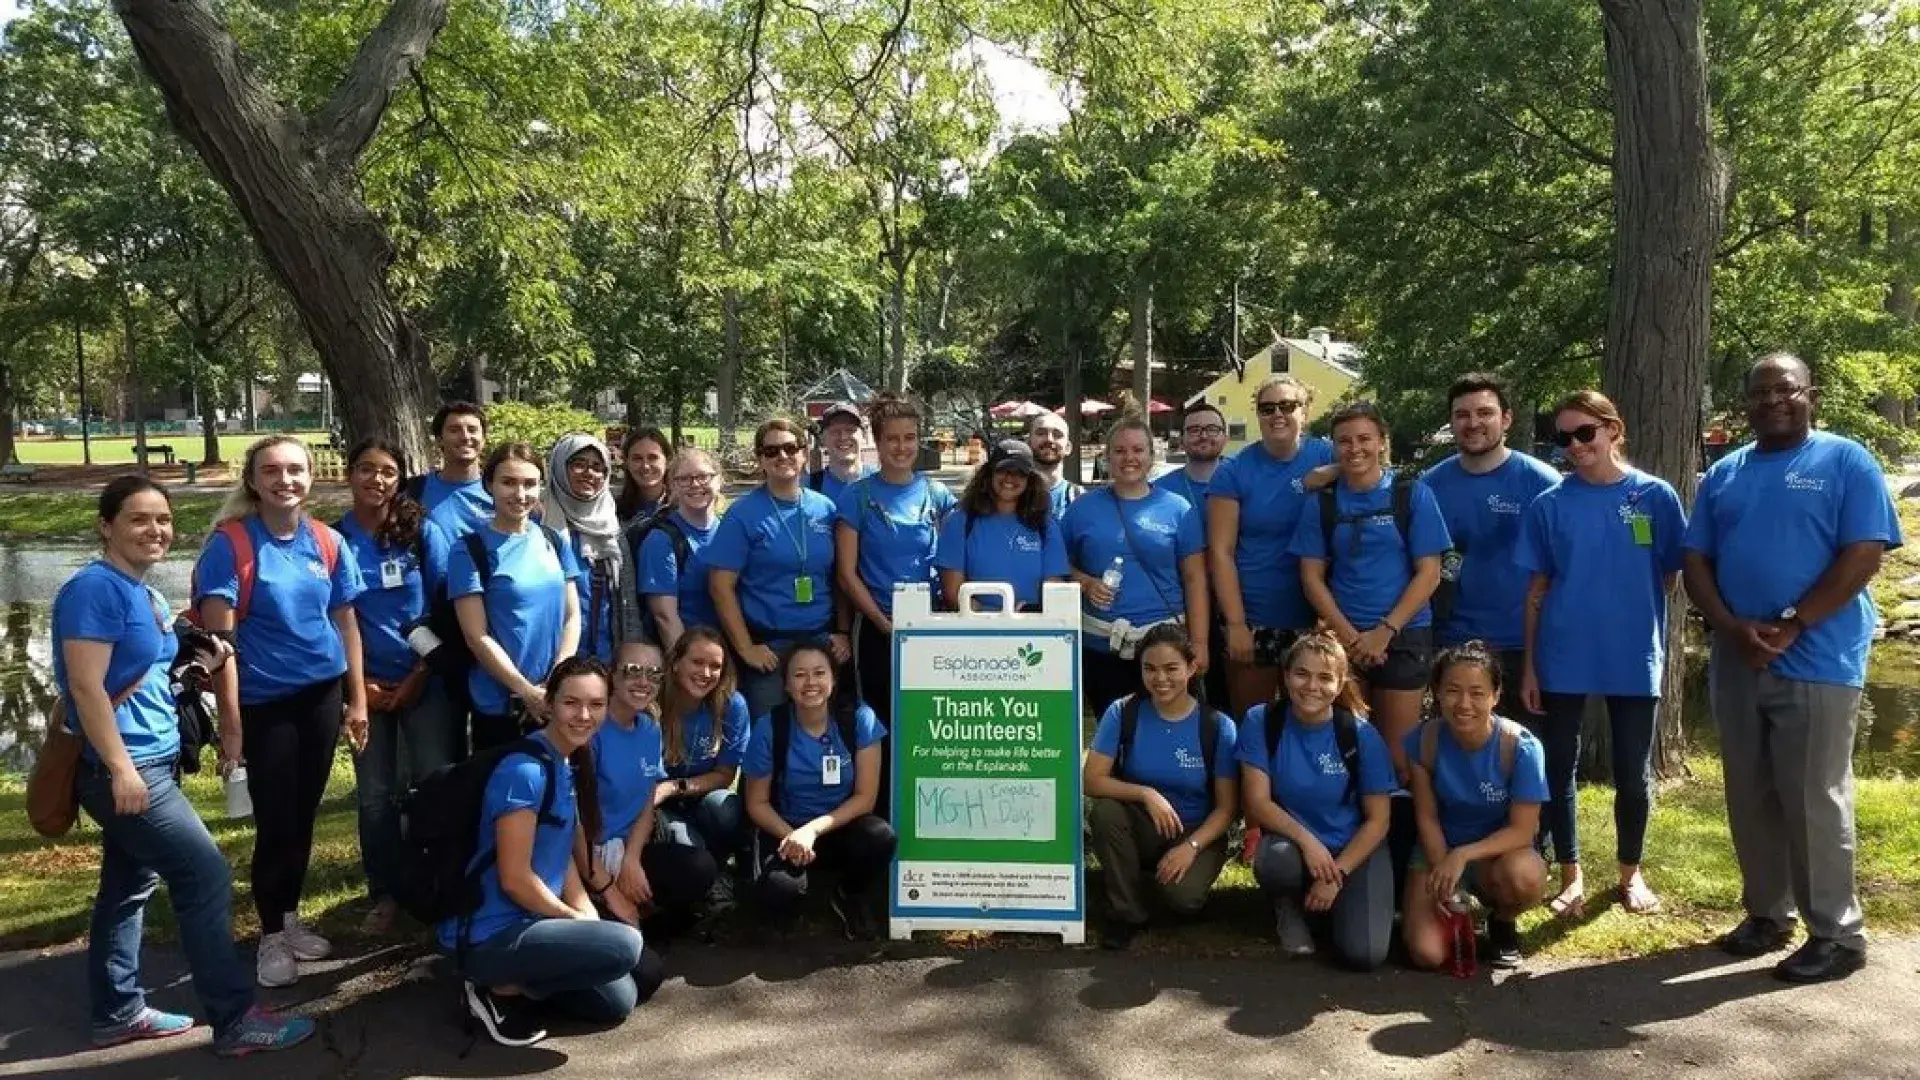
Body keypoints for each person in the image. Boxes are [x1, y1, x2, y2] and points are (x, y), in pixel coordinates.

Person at [58, 477, 314, 1055]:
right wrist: (121, 768)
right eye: (138, 519)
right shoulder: (93, 590)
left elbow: (140, 667)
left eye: (163, 520)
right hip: (127, 768)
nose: (155, 531)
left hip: (152, 759)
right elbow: (86, 687)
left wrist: (197, 650)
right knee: (205, 877)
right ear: (106, 526)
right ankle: (234, 1019)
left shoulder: (139, 592)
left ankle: (117, 1011)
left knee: (128, 888)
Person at [1684, 352, 1900, 984]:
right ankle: (1767, 914)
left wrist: (1795, 620)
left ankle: (1837, 933)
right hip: (1737, 656)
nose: (1772, 400)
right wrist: (1730, 627)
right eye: (1759, 393)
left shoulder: (1845, 460)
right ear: (1745, 403)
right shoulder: (1724, 474)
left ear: (1811, 393)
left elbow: (1864, 553)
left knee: (1813, 797)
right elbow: (1697, 559)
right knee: (1749, 792)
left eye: (1785, 389)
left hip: (1818, 657)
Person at [194, 435, 368, 988]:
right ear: (254, 481)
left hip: (320, 695)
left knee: (303, 814)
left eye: (296, 470)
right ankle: (270, 935)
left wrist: (355, 697)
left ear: (311, 477)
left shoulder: (327, 541)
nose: (285, 480)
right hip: (263, 702)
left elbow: (346, 623)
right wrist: (231, 726)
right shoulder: (231, 545)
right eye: (272, 470)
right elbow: (218, 645)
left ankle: (290, 919)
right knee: (275, 821)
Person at [1516, 391, 1686, 918]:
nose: (1574, 446)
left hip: (1632, 655)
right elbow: (1536, 591)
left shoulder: (1655, 497)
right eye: (1563, 438)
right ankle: (1571, 874)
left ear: (1613, 429)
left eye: (1584, 433)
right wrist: (1528, 664)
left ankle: (1630, 874)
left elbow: (1669, 575)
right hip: (1563, 653)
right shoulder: (1550, 505)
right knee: (1558, 768)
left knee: (1633, 774)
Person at [443, 657, 664, 1048]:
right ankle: (493, 988)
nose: (584, 715)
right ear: (548, 703)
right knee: (624, 947)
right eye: (571, 703)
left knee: (623, 996)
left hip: (537, 923)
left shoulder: (564, 763)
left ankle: (524, 986)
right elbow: (514, 879)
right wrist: (575, 923)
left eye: (596, 705)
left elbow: (562, 856)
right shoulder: (524, 771)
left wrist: (588, 915)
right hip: (493, 934)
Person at [1419, 375, 1564, 906]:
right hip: (1452, 642)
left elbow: (1560, 567)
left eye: (1484, 413)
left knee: (1521, 760)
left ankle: (1525, 862)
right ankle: (1447, 866)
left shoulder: (1541, 481)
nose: (1473, 423)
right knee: (1454, 758)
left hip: (1520, 644)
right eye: (1462, 414)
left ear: (1506, 418)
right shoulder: (1431, 485)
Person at [338, 438, 460, 935]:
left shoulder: (420, 534)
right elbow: (334, 617)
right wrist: (359, 686)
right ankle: (386, 892)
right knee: (375, 796)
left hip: (423, 682)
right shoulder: (332, 539)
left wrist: (418, 676)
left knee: (435, 784)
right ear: (350, 475)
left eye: (387, 471)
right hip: (364, 688)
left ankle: (438, 884)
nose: (377, 480)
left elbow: (445, 610)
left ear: (400, 478)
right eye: (366, 469)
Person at [1292, 401, 1450, 778]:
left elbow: (1429, 573)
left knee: (1397, 756)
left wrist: (1384, 632)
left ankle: (1395, 831)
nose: (1354, 448)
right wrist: (1350, 637)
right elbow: (1311, 577)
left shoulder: (1412, 495)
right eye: (1344, 441)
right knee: (1345, 750)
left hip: (1403, 634)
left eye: (1364, 438)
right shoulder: (1323, 502)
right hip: (1342, 639)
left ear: (1382, 441)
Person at [1240, 632, 1397, 970]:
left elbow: (1379, 820)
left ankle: (1330, 908)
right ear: (1285, 676)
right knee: (1275, 859)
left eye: (1325, 677)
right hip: (1295, 845)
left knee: (1363, 955)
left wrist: (1336, 874)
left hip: (1353, 849)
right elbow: (1257, 802)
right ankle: (1288, 908)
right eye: (1302, 674)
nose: (1311, 686)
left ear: (1340, 685)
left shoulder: (1361, 735)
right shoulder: (1262, 721)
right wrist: (1309, 843)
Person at [1083, 623, 1237, 949]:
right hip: (1143, 823)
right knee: (1106, 812)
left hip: (1197, 831)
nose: (1160, 679)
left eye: (1171, 669)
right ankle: (1126, 913)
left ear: (1192, 668)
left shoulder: (1217, 726)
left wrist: (1190, 847)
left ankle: (1161, 880)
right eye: (1150, 669)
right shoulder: (1123, 712)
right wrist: (1145, 793)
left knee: (1184, 901)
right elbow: (1092, 781)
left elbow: (1227, 809)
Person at [1402, 643, 1549, 971]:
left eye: (1477, 693)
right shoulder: (1423, 741)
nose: (1464, 704)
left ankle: (1502, 922)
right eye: (1452, 691)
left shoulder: (1520, 747)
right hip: (1437, 848)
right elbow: (1426, 817)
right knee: (1428, 955)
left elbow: (1523, 831)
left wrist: (1463, 855)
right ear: (1437, 693)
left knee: (1524, 876)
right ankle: (1453, 911)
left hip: (1495, 855)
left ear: (1495, 695)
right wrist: (1444, 871)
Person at [742, 640, 895, 939]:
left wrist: (811, 831)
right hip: (786, 829)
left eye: (819, 673)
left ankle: (849, 895)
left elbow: (866, 798)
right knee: (778, 891)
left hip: (841, 825)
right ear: (786, 685)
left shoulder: (859, 719)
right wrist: (792, 837)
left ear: (833, 679)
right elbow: (756, 803)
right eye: (799, 675)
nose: (810, 682)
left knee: (880, 837)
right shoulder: (770, 727)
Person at [1208, 375, 1337, 719]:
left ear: (1305, 411)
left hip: (1322, 619)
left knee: (1317, 722)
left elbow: (1372, 468)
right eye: (1267, 408)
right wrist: (1236, 623)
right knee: (1254, 723)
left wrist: (1333, 472)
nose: (1277, 414)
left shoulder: (1327, 453)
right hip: (1256, 617)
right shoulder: (1234, 471)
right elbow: (1221, 552)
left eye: (1287, 405)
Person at [1062, 416, 1209, 717]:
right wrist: (1086, 583)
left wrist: (1200, 642)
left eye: (1138, 450)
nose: (1129, 458)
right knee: (1115, 731)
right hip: (1103, 646)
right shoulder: (1081, 509)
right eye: (1120, 451)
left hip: (1166, 646)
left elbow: (1195, 579)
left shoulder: (1178, 508)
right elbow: (1058, 567)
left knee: (1170, 725)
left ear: (1151, 457)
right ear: (1106, 457)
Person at [707, 419, 850, 719]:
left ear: (803, 452)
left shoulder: (825, 509)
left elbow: (839, 576)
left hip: (820, 641)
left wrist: (842, 631)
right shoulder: (742, 514)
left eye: (789, 448)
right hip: (768, 648)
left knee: (821, 733)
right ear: (760, 459)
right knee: (768, 741)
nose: (782, 457)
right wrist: (746, 648)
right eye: (771, 451)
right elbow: (720, 585)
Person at [449, 442, 583, 752]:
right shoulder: (470, 550)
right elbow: (476, 636)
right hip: (501, 705)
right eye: (508, 482)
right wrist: (526, 691)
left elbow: (572, 616)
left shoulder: (553, 540)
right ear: (489, 485)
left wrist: (557, 681)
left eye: (529, 484)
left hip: (554, 698)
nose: (520, 494)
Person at [835, 394, 956, 729]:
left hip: (929, 623)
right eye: (892, 439)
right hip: (877, 627)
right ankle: (879, 782)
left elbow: (955, 558)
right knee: (877, 720)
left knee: (927, 716)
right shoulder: (857, 496)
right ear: (877, 441)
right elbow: (846, 574)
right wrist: (881, 622)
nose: (901, 447)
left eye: (909, 438)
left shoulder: (937, 494)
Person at [584, 640, 718, 935]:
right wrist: (609, 886)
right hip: (588, 859)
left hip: (631, 847)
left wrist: (631, 860)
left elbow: (647, 800)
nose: (643, 682)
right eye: (633, 671)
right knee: (639, 970)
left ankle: (645, 919)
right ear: (611, 675)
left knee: (699, 868)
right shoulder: (590, 731)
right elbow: (573, 827)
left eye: (653, 674)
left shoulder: (649, 728)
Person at [652, 626, 752, 868]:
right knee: (688, 849)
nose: (706, 673)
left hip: (698, 795)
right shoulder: (653, 702)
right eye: (697, 662)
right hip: (657, 802)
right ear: (676, 663)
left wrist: (674, 787)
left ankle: (722, 864)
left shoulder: (731, 705)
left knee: (727, 809)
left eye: (715, 666)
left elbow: (725, 775)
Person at [935, 439, 1069, 612]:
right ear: (988, 473)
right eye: (1003, 470)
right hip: (975, 629)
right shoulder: (960, 522)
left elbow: (1054, 587)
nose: (1010, 478)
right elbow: (952, 593)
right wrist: (997, 618)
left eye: (1019, 473)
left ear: (1030, 480)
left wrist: (1028, 613)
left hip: (1033, 629)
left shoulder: (1045, 526)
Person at [543, 434, 640, 663]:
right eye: (579, 465)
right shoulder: (541, 526)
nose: (589, 473)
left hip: (605, 656)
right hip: (553, 655)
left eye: (598, 468)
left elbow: (627, 602)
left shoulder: (612, 530)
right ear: (559, 468)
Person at [1157, 403, 1230, 709]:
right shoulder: (1160, 490)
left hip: (1237, 599)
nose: (1203, 436)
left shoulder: (1240, 477)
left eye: (1212, 429)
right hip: (1184, 602)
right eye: (1194, 430)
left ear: (1225, 436)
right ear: (1182, 439)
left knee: (1233, 692)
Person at [635, 448, 727, 651]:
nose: (695, 484)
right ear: (672, 486)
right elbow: (665, 618)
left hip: (730, 652)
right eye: (684, 479)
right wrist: (687, 665)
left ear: (719, 480)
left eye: (703, 476)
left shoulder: (729, 531)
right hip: (690, 654)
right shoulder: (661, 540)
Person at [415, 402, 494, 538]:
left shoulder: (499, 491)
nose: (465, 437)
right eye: (454, 430)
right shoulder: (415, 491)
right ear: (439, 439)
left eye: (472, 430)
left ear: (484, 439)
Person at [1026, 412, 1083, 519]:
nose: (1049, 439)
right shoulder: (1013, 496)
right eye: (1041, 433)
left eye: (1057, 435)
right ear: (1028, 444)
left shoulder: (1080, 499)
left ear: (1068, 448)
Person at [614, 426, 671, 524]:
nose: (645, 466)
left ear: (668, 460)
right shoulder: (613, 511)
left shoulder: (684, 508)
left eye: (653, 457)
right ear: (626, 463)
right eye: (637, 458)